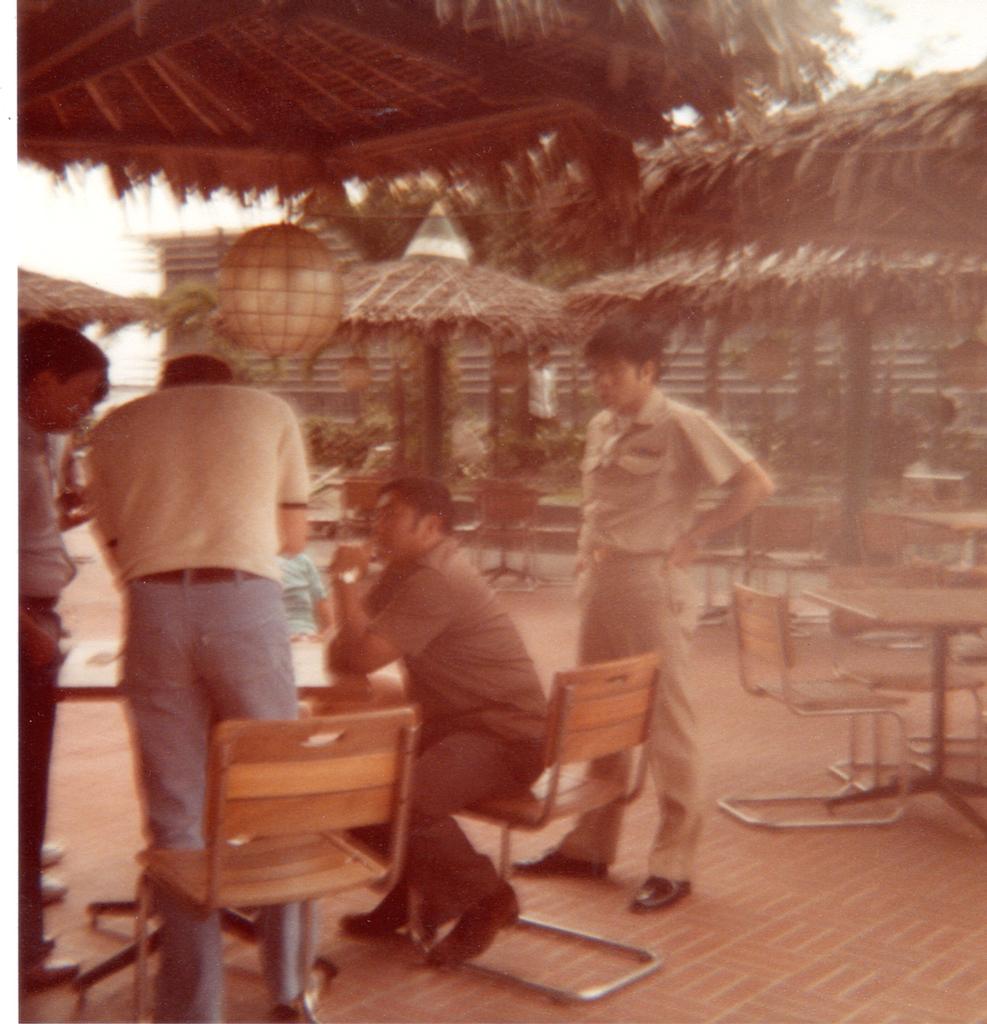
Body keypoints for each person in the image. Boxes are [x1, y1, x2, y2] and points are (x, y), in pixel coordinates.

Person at [514, 312, 775, 913]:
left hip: (651, 583)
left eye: (612, 373)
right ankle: (589, 847)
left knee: (666, 724)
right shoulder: (603, 426)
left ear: (648, 370)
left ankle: (673, 863)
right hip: (602, 582)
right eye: (595, 373)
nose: (601, 384)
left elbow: (756, 483)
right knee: (599, 715)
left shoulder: (683, 424)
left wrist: (697, 536)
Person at [86, 355, 312, 1022]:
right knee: (279, 796)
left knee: (175, 814)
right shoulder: (269, 412)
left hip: (154, 606)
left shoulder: (114, 426)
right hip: (245, 602)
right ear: (228, 382)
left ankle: (193, 1010)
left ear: (166, 386)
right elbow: (292, 537)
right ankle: (287, 988)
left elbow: (117, 541)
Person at [327, 476, 547, 966]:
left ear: (431, 526)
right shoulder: (406, 569)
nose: (376, 525)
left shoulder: (435, 579)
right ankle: (414, 894)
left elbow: (358, 657)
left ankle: (489, 898)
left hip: (505, 734)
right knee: (355, 791)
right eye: (377, 514)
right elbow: (347, 653)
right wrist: (350, 601)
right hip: (458, 726)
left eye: (389, 515)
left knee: (408, 801)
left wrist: (344, 584)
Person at [19, 320, 110, 991]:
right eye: (80, 397)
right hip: (21, 630)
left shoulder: (34, 440)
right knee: (20, 793)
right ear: (43, 379)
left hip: (33, 619)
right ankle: (21, 951)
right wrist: (28, 632)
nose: (80, 412)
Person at [278, 551, 332, 639]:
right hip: (279, 636)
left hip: (307, 634)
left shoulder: (303, 561)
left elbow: (321, 600)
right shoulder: (264, 565)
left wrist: (329, 635)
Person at [527, 342, 558, 432]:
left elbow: (553, 391)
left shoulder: (550, 372)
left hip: (549, 412)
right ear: (536, 356)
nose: (544, 358)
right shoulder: (530, 371)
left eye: (546, 355)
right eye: (541, 355)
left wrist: (555, 410)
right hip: (534, 412)